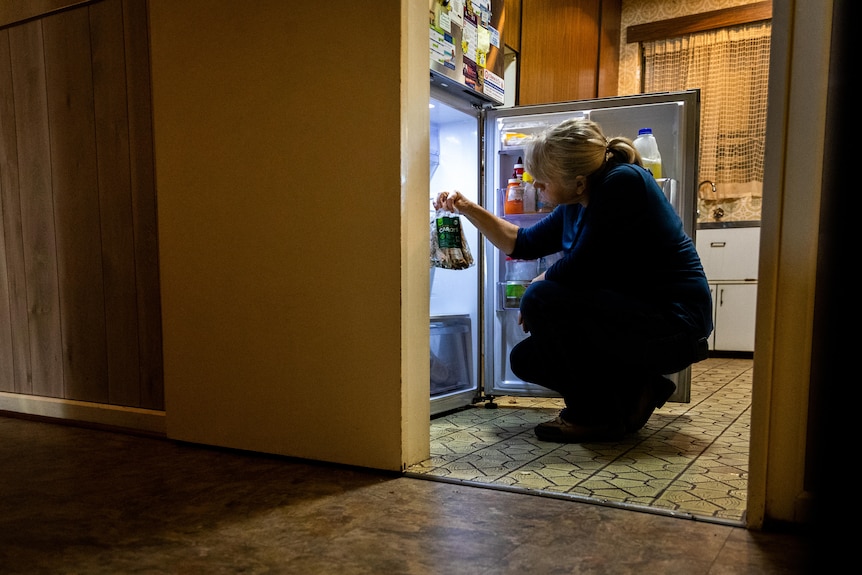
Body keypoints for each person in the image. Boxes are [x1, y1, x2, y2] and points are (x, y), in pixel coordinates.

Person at [434, 118, 713, 443]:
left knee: (542, 299)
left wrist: (536, 287)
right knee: (527, 358)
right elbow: (522, 243)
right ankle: (635, 392)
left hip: (674, 324)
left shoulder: (623, 182)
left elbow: (585, 264)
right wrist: (467, 208)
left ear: (579, 182)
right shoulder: (579, 200)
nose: (537, 187)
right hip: (637, 320)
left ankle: (591, 417)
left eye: (543, 181)